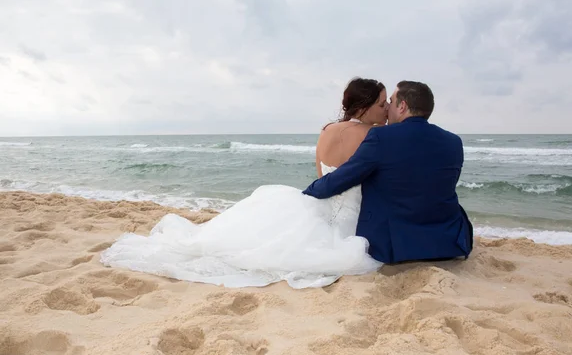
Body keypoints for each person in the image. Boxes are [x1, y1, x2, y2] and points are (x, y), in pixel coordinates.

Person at [100, 77, 386, 289]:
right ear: (364, 106)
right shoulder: (368, 136)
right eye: (381, 104)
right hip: (343, 217)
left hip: (319, 201)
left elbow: (323, 177)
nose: (385, 110)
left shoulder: (327, 130)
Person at [303, 80, 473, 264]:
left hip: (396, 246)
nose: (387, 107)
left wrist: (308, 193)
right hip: (447, 242)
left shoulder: (381, 137)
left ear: (402, 106)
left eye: (391, 101)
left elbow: (342, 179)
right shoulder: (454, 142)